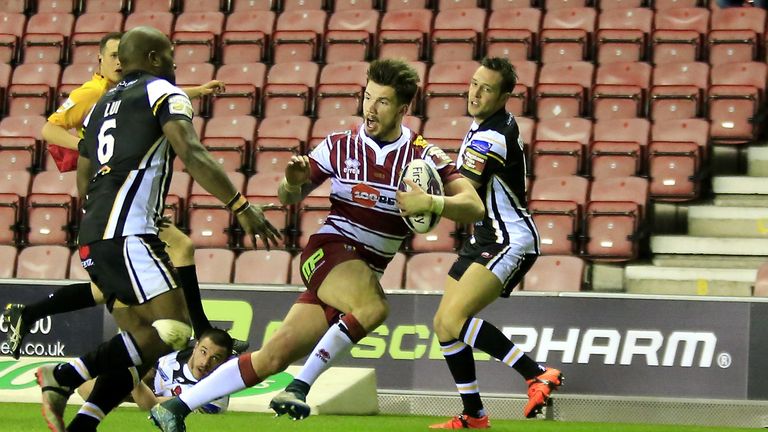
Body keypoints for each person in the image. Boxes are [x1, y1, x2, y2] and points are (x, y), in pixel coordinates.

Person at [148, 57, 485, 431]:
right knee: (373, 308)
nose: (370, 108)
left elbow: (473, 206)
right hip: (329, 249)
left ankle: (174, 408)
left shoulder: (422, 155)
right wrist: (292, 182)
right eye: (367, 97)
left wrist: (433, 203)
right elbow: (289, 195)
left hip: (362, 270)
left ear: (403, 109)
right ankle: (299, 387)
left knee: (271, 357)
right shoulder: (339, 146)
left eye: (383, 101)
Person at [35, 26, 280, 432]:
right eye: (168, 55)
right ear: (151, 58)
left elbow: (84, 173)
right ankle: (64, 375)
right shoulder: (163, 92)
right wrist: (239, 205)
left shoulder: (98, 107)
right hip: (128, 233)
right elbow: (192, 152)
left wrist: (101, 213)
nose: (174, 62)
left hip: (94, 235)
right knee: (176, 328)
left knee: (142, 348)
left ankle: (83, 424)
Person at [1, 32, 249, 360]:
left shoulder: (126, 92)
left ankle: (33, 316)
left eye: (123, 54)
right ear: (100, 61)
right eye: (113, 55)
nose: (119, 61)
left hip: (116, 202)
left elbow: (148, 99)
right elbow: (50, 128)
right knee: (174, 257)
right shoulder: (94, 93)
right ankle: (197, 331)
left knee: (114, 288)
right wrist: (93, 152)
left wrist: (196, 91)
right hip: (114, 198)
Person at [428, 57, 562, 430]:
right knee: (443, 325)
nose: (475, 93)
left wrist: (429, 201)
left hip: (510, 239)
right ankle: (474, 415)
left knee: (455, 319)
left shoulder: (492, 136)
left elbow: (465, 199)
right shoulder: (483, 126)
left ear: (504, 96)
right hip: (485, 236)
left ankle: (537, 373)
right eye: (473, 84)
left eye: (486, 89)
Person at [77, 328, 233, 414]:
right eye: (203, 352)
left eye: (215, 358)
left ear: (225, 362)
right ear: (196, 346)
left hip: (150, 396)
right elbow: (84, 388)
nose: (205, 362)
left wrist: (132, 374)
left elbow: (151, 406)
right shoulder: (176, 351)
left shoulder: (213, 395)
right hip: (145, 387)